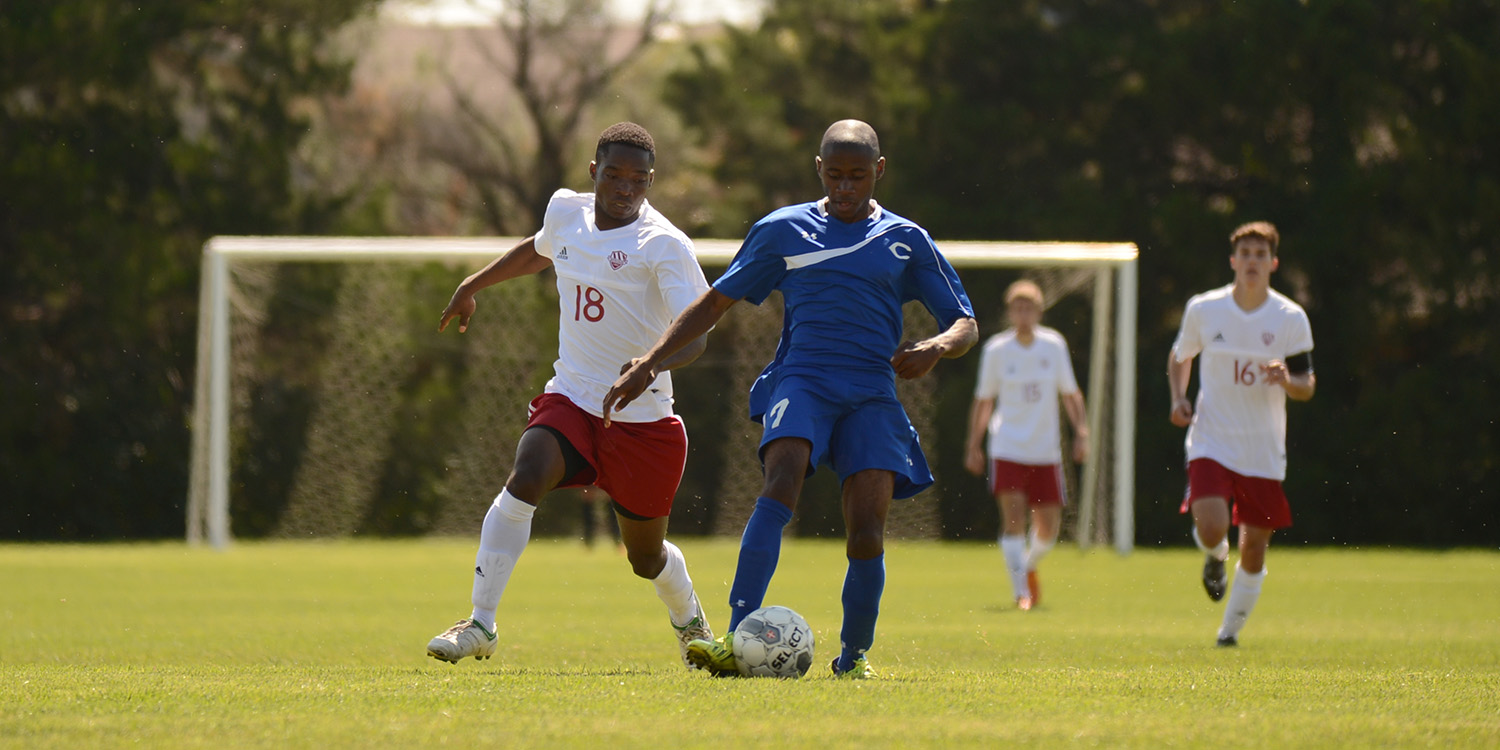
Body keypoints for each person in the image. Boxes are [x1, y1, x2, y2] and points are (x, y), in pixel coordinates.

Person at [603, 119, 978, 678]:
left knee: (868, 530)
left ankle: (852, 657)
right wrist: (651, 360)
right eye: (834, 176)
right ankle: (735, 634)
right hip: (802, 378)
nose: (845, 188)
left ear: (879, 172)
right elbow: (713, 304)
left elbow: (965, 322)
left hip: (873, 392)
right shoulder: (783, 231)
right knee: (781, 481)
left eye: (857, 176)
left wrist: (937, 345)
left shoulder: (907, 239)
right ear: (818, 171)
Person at [425, 122, 716, 667]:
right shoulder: (566, 212)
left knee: (645, 557)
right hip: (574, 398)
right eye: (614, 175)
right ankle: (480, 624)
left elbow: (697, 333)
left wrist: (650, 365)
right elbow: (540, 251)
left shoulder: (664, 244)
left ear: (651, 182)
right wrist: (473, 285)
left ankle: (691, 624)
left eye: (638, 179)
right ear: (594, 173)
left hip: (643, 421)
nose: (625, 188)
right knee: (527, 474)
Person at [1168, 221, 1315, 647]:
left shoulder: (1289, 317)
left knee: (1254, 548)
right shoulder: (1205, 308)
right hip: (1211, 439)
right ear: (1233, 261)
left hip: (1263, 448)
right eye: (1245, 254)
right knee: (1213, 528)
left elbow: (1307, 385)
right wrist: (1179, 396)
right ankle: (1215, 557)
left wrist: (1287, 379)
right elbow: (1181, 354)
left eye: (1260, 255)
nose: (1252, 261)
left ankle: (1227, 634)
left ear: (1273, 263)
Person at [963, 279, 1088, 611]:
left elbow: (1071, 393)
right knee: (1014, 517)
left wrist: (1082, 432)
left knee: (1048, 527)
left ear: (1039, 311)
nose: (1023, 313)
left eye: (1029, 306)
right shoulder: (997, 350)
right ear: (1010, 312)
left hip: (1045, 449)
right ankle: (1021, 591)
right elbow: (983, 400)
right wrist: (974, 444)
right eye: (1017, 307)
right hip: (1007, 446)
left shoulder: (1053, 345)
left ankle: (1028, 566)